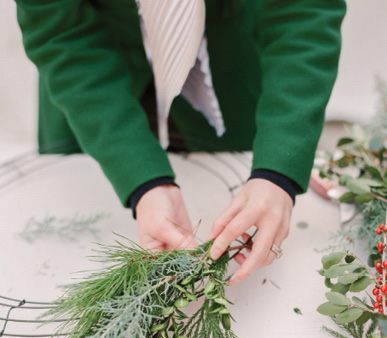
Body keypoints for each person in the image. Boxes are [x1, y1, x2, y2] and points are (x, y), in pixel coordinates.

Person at [15, 0, 346, 285]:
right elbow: (58, 31)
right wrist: (142, 180)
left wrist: (279, 168)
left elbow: (304, 11)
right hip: (90, 90)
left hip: (224, 76)